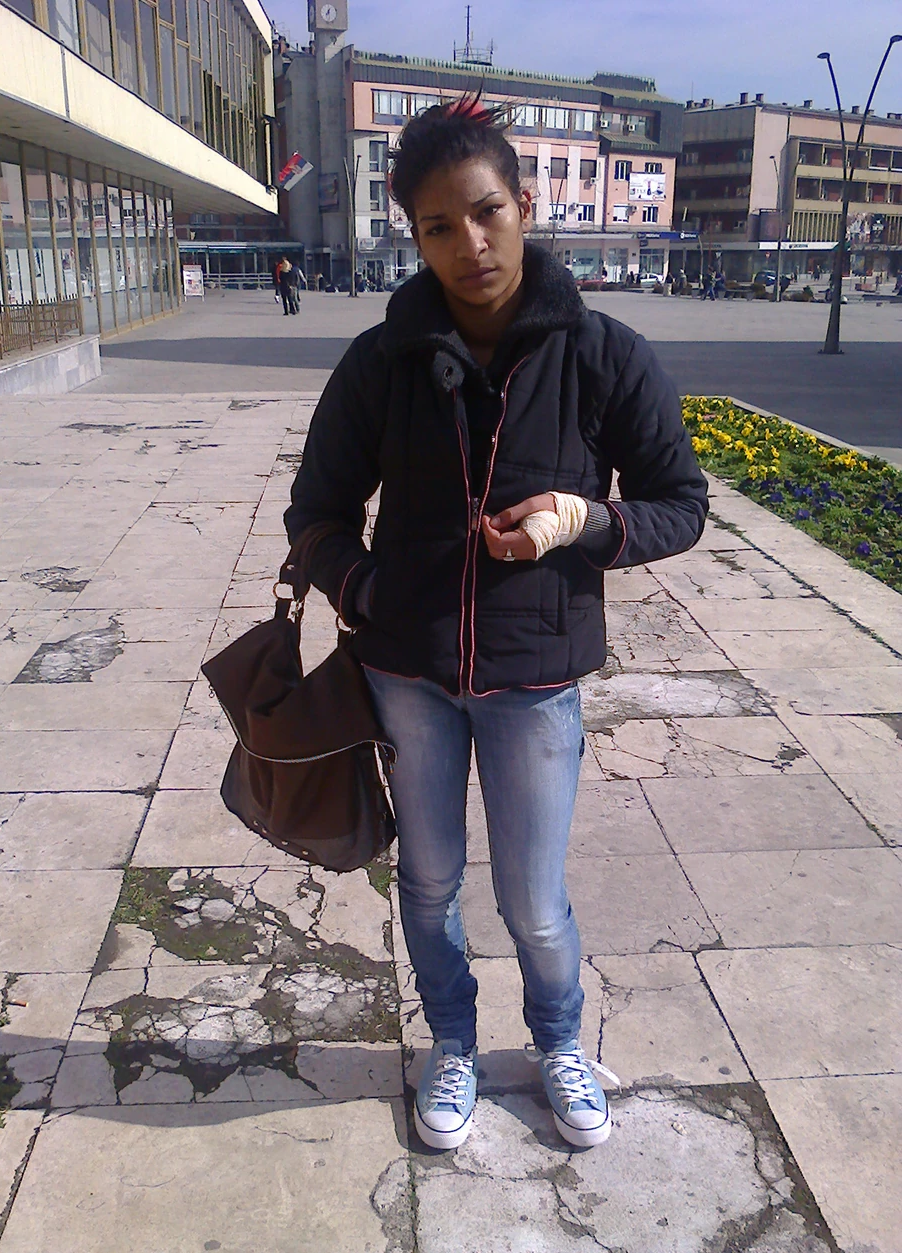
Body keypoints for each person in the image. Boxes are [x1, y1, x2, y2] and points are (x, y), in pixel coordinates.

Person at [286, 96, 707, 1152]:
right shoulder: (381, 362)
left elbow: (680, 503)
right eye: (439, 226)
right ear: (414, 235)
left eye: (485, 212)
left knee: (533, 898)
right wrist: (365, 590)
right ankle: (454, 1043)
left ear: (524, 203)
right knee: (428, 883)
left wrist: (583, 521)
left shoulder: (605, 354)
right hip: (410, 678)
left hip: (534, 679)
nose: (469, 244)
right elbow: (317, 511)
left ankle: (559, 1041)